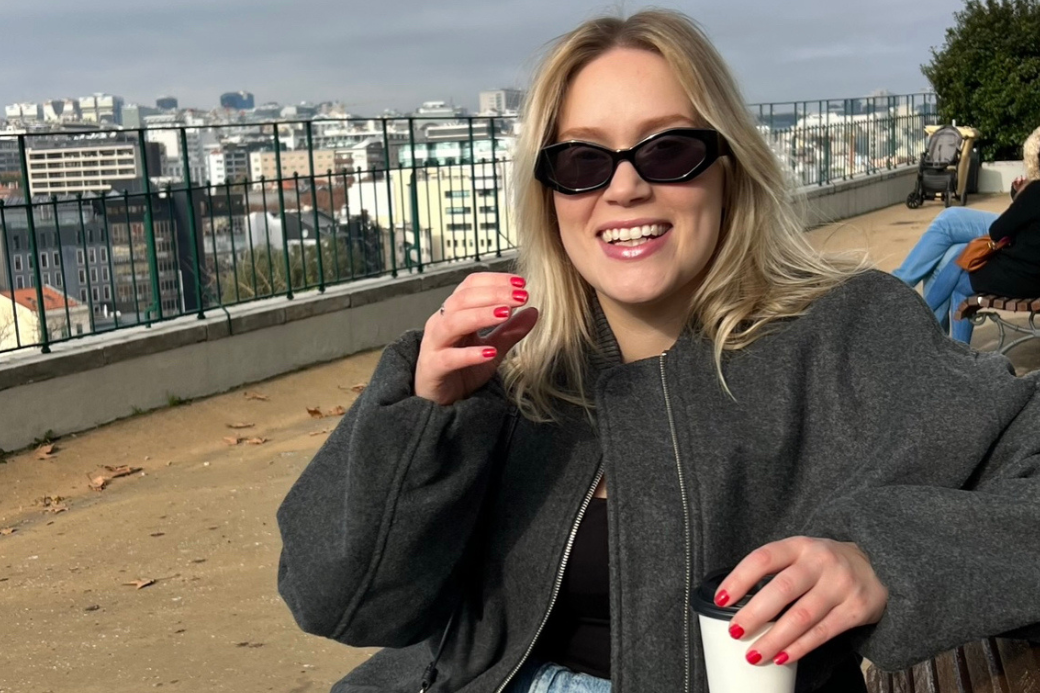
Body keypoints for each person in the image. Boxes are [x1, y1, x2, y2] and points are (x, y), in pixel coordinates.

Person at [276, 10, 1040, 693]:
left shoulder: (845, 338)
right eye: (582, 162)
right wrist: (425, 414)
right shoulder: (510, 367)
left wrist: (886, 559)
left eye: (668, 150)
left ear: (727, 169)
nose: (625, 188)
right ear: (548, 196)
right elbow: (336, 599)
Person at [893, 126, 1040, 342]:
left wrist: (1023, 195)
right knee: (955, 253)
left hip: (1022, 271)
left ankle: (903, 294)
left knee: (949, 223)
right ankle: (941, 344)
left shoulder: (1035, 191)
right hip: (1027, 265)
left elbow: (1002, 229)